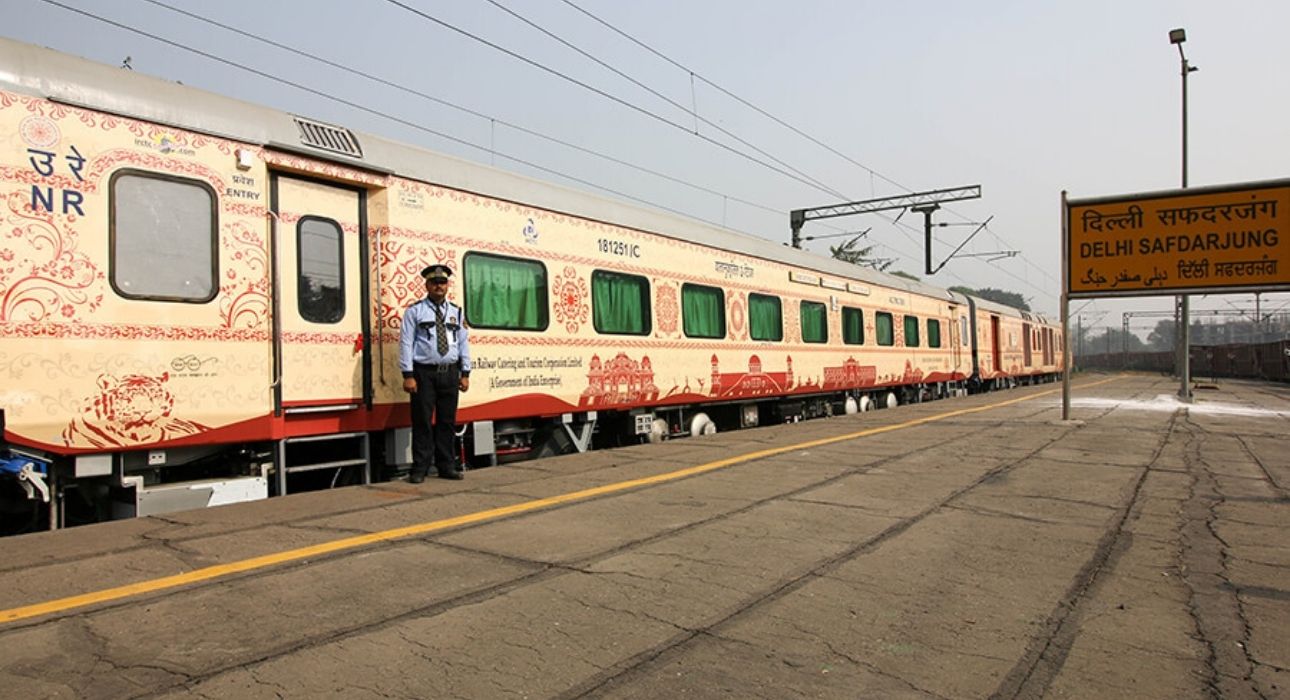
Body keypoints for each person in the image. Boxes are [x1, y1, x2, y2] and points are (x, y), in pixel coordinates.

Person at [398, 263, 471, 482]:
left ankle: (446, 466)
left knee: (447, 422)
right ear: (427, 285)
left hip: (449, 373)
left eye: (443, 282)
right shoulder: (415, 311)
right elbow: (406, 343)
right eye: (435, 282)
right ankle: (420, 468)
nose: (439, 286)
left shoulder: (456, 312)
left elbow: (463, 343)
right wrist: (407, 374)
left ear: (447, 285)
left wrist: (465, 372)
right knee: (422, 421)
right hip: (423, 374)